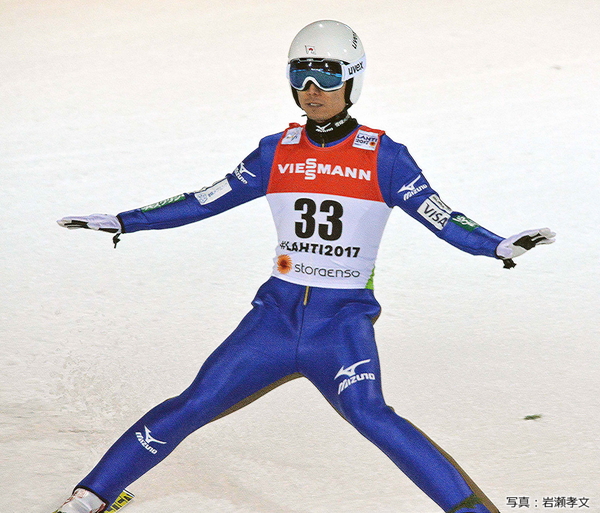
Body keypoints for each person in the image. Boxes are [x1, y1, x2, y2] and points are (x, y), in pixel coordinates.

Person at [53, 20, 555, 513]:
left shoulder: (384, 157)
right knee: (194, 403)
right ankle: (91, 496)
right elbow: (205, 199)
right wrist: (125, 221)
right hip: (273, 320)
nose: (312, 89)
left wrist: (495, 246)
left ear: (354, 80)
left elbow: (440, 216)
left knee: (373, 416)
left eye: (328, 75)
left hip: (339, 326)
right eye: (300, 74)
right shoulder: (275, 151)